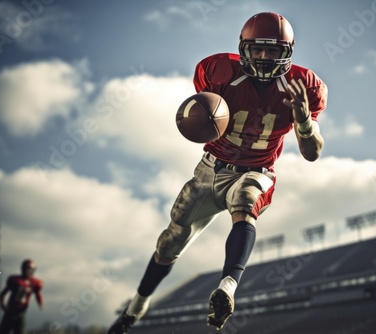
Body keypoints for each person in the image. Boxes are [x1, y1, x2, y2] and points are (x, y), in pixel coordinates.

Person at [108, 11, 327, 332]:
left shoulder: (303, 86)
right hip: (211, 167)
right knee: (170, 242)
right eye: (257, 50)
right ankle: (136, 307)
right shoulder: (219, 71)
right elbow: (204, 114)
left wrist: (305, 121)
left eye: (274, 51)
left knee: (245, 204)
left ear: (288, 52)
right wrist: (199, 116)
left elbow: (312, 153)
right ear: (243, 48)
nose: (265, 58)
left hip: (258, 167)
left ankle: (227, 286)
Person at [0, 259, 43, 334]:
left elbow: (37, 294)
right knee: (3, 331)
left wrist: (40, 303)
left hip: (22, 311)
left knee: (20, 331)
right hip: (11, 310)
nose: (29, 271)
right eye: (27, 269)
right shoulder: (15, 280)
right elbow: (3, 293)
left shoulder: (35, 282)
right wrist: (3, 305)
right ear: (23, 269)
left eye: (31, 270)